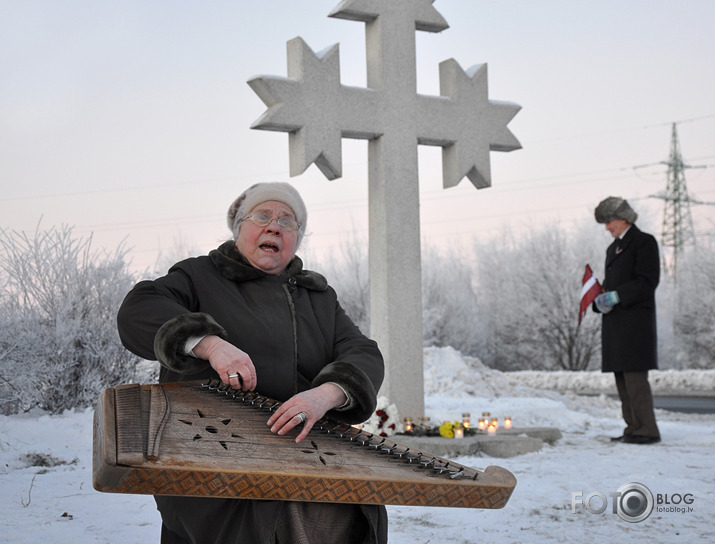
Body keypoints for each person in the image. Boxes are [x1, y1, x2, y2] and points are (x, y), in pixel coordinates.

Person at [117, 182, 387, 544]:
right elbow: (138, 309)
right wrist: (209, 344)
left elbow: (363, 352)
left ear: (296, 239)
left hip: (308, 454)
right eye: (262, 216)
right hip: (210, 458)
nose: (274, 226)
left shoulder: (318, 298)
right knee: (278, 516)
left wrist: (325, 394)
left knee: (349, 509)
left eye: (287, 221)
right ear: (238, 226)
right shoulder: (199, 276)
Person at [593, 196, 661, 445]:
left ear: (623, 219)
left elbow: (647, 281)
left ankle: (648, 429)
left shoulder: (644, 242)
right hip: (617, 324)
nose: (607, 227)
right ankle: (633, 426)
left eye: (609, 221)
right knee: (622, 379)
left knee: (635, 379)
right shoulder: (614, 248)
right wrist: (600, 299)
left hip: (635, 324)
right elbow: (613, 284)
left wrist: (618, 296)